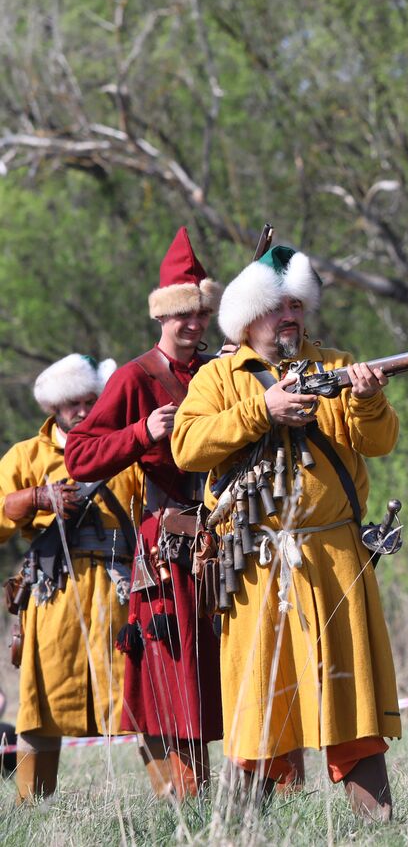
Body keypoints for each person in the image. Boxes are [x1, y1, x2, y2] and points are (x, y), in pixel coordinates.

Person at [171, 245, 400, 819]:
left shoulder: (340, 363)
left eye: (296, 303)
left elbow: (379, 442)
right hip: (254, 560)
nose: (289, 314)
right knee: (257, 696)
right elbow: (186, 448)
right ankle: (238, 825)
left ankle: (378, 821)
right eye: (277, 306)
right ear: (248, 318)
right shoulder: (219, 379)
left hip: (336, 553)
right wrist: (262, 410)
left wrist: (370, 400)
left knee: (351, 691)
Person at [64, 227, 223, 798]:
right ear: (163, 317)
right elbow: (79, 453)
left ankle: (265, 791)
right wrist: (139, 431)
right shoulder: (135, 377)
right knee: (171, 667)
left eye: (202, 314)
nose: (195, 325)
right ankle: (183, 797)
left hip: (226, 537)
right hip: (168, 544)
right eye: (185, 315)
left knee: (224, 664)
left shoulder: (218, 370)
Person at [0, 354, 141, 802]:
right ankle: (31, 808)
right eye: (72, 403)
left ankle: (182, 807)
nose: (83, 410)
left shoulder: (128, 450)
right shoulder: (26, 456)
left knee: (142, 701)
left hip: (120, 594)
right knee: (40, 709)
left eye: (90, 401)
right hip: (52, 596)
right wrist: (35, 497)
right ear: (54, 409)